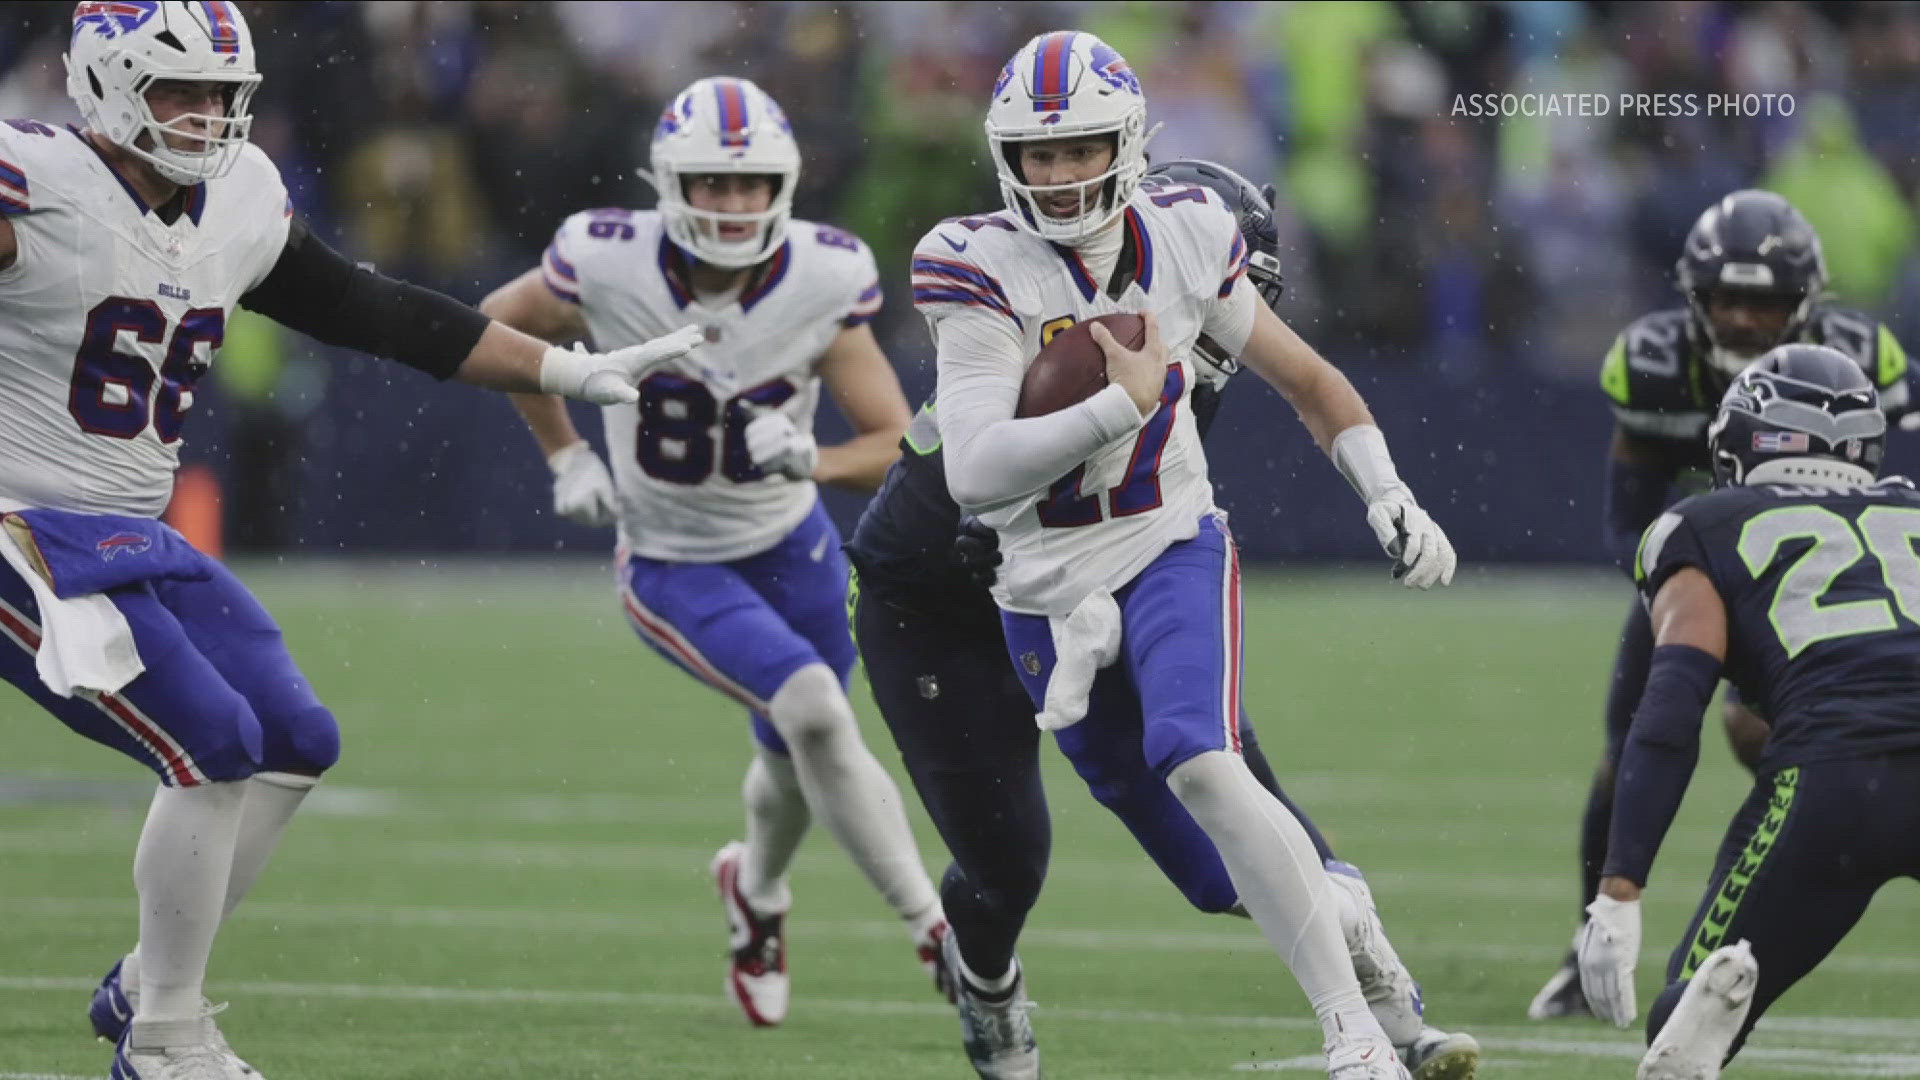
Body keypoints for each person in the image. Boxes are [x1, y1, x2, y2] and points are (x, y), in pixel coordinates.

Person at [0, 5, 702, 1078]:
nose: (204, 118)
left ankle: (150, 977)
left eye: (221, 95)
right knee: (210, 741)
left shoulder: (235, 201)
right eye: (177, 92)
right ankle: (166, 1038)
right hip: (19, 525)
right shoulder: (35, 179)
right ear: (103, 87)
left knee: (292, 734)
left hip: (125, 529)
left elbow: (373, 311)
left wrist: (562, 370)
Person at [849, 157, 1479, 1080]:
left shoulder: (1183, 316)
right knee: (1008, 861)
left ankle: (1390, 1017)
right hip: (938, 603)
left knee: (1234, 784)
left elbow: (1305, 383)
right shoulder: (1036, 332)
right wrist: (985, 524)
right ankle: (986, 982)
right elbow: (960, 478)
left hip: (1099, 583)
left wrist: (1385, 490)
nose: (1226, 318)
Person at [479, 75, 948, 1030]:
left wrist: (810, 457)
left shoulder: (823, 274)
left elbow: (899, 443)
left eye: (749, 185)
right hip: (673, 561)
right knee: (815, 707)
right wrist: (563, 451)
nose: (731, 207)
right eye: (709, 184)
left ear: (783, 184)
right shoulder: (608, 261)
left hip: (793, 547)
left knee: (792, 748)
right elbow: (497, 327)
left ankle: (755, 892)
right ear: (666, 184)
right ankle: (936, 928)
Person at [1529, 190, 1913, 1020]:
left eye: (1765, 300)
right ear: (1691, 296)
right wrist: (1685, 570)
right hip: (1706, 573)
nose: (1742, 317)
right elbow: (1629, 511)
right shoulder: (1655, 362)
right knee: (1631, 740)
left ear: (1807, 301)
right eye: (1725, 298)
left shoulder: (1862, 354)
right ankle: (1594, 932)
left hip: (1824, 590)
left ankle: (1796, 876)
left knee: (1774, 732)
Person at [1575, 344, 1920, 1079]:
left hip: (1833, 779)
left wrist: (1620, 887)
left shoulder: (1705, 523)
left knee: (1683, 1021)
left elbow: (1671, 708)